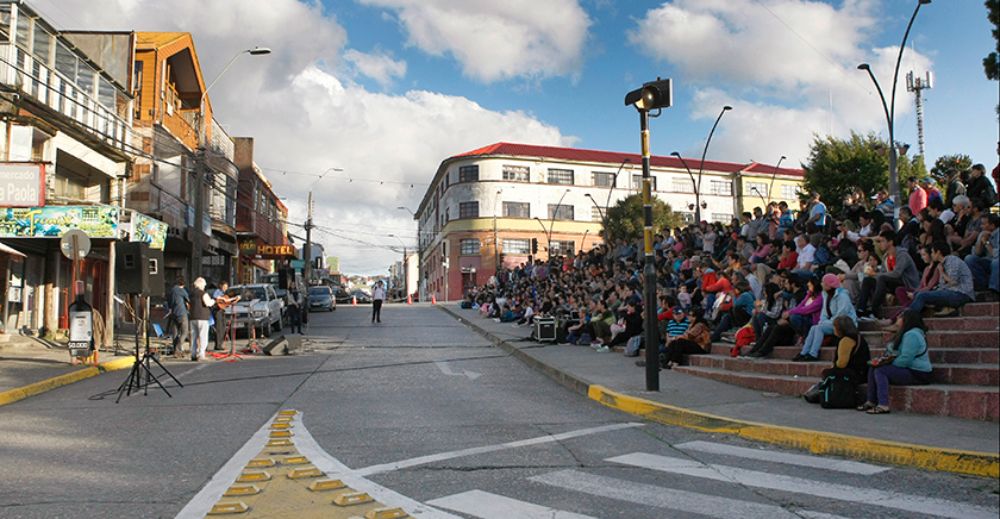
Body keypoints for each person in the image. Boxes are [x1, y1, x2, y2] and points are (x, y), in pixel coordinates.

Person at [860, 310, 933, 415]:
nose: (897, 319)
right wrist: (883, 360)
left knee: (881, 371)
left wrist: (888, 363)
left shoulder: (912, 335)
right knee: (873, 367)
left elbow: (906, 359)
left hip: (918, 373)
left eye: (900, 317)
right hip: (908, 369)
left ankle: (883, 405)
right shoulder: (905, 333)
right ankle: (871, 401)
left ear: (906, 320)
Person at [857, 230, 920, 321]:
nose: (880, 244)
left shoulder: (902, 255)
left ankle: (874, 311)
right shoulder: (885, 257)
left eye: (882, 241)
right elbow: (882, 273)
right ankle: (861, 309)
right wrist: (873, 275)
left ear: (890, 242)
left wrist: (876, 274)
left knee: (882, 278)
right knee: (868, 280)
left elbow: (897, 273)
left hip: (906, 283)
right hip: (891, 283)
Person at [795, 273, 856, 362]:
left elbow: (841, 314)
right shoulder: (825, 295)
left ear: (829, 285)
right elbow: (824, 313)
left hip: (845, 323)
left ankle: (813, 354)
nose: (821, 284)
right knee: (814, 327)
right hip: (833, 322)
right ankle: (804, 352)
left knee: (819, 328)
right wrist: (822, 321)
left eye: (823, 282)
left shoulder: (842, 296)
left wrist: (825, 323)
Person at [909, 242, 976, 316]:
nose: (931, 255)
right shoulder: (942, 264)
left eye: (932, 252)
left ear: (938, 252)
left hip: (960, 294)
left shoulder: (952, 260)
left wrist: (942, 272)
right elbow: (942, 285)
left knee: (922, 295)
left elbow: (953, 282)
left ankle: (907, 317)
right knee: (918, 294)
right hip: (951, 292)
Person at [965, 213, 999, 294]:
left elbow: (996, 255)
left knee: (996, 262)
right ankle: (982, 285)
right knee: (969, 258)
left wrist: (986, 242)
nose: (981, 226)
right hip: (988, 260)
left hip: (996, 261)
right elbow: (976, 253)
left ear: (992, 225)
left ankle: (994, 289)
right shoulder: (983, 233)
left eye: (983, 224)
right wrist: (980, 239)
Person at [188, 277, 215, 361]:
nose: (204, 286)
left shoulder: (191, 294)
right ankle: (201, 354)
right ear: (201, 285)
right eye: (204, 285)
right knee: (203, 336)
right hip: (202, 317)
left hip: (193, 317)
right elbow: (208, 303)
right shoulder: (203, 293)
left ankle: (193, 354)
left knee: (194, 337)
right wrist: (213, 301)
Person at [166, 276, 189, 358]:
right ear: (182, 284)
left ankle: (175, 350)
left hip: (173, 313)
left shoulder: (171, 290)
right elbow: (188, 299)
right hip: (182, 313)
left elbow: (169, 302)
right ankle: (178, 349)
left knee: (175, 333)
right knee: (184, 332)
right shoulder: (181, 290)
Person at [212, 281, 239, 351]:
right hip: (217, 311)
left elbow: (227, 302)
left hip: (222, 311)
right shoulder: (217, 291)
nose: (225, 288)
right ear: (220, 286)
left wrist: (234, 300)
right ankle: (217, 345)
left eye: (226, 287)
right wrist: (224, 299)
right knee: (219, 328)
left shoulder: (225, 293)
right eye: (224, 287)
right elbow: (216, 297)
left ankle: (220, 343)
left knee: (223, 327)